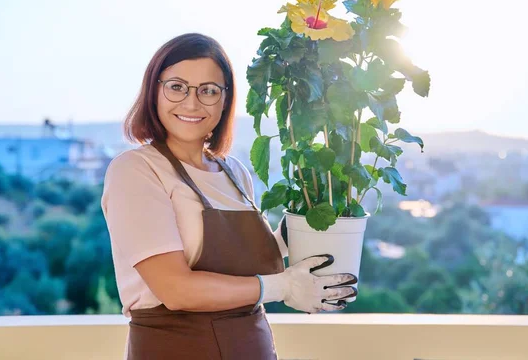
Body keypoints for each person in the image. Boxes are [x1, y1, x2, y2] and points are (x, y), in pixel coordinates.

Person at [101, 33, 358, 360]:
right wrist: (282, 287)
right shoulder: (135, 170)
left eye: (208, 91)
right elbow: (175, 290)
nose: (192, 103)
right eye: (177, 86)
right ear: (154, 91)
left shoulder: (234, 171)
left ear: (225, 100)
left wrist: (302, 227)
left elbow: (248, 260)